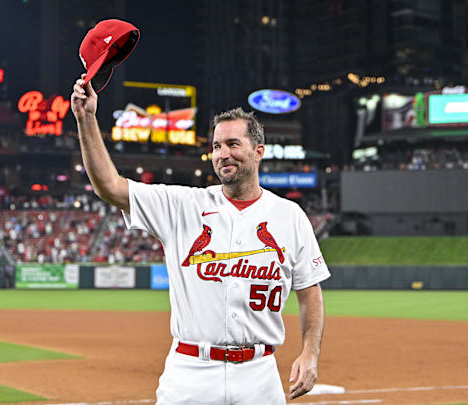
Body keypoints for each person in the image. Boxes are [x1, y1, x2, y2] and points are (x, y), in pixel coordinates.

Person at [71, 74, 330, 404]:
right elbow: (110, 185)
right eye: (217, 146)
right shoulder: (183, 205)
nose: (223, 153)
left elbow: (310, 292)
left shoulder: (289, 216)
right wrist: (86, 118)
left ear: (258, 151)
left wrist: (310, 353)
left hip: (259, 376)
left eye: (233, 144)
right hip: (190, 373)